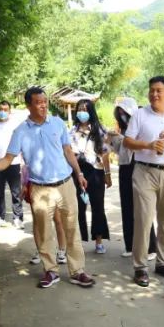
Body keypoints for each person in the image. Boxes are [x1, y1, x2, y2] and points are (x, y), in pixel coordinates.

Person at [0, 87, 93, 289]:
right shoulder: (20, 131)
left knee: (71, 228)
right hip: (40, 189)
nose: (43, 106)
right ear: (28, 106)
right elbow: (8, 158)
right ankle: (51, 270)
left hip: (65, 184)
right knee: (43, 231)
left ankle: (77, 271)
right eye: (38, 102)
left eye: (44, 102)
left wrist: (79, 173)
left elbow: (68, 151)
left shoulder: (58, 123)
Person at [123, 76, 164, 287]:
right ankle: (140, 267)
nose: (154, 94)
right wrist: (148, 145)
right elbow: (127, 141)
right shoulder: (140, 114)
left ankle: (163, 262)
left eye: (159, 90)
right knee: (143, 220)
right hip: (144, 172)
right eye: (151, 90)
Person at [108, 97, 158, 259]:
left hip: (140, 166)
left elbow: (144, 144)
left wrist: (126, 140)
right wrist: (114, 140)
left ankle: (150, 248)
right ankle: (130, 246)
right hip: (125, 168)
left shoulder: (142, 125)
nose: (122, 116)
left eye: (124, 112)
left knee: (143, 208)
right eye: (120, 113)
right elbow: (118, 150)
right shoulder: (121, 129)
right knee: (127, 206)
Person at [70, 98, 112, 254]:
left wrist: (107, 174)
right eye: (80, 110)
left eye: (85, 110)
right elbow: (69, 153)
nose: (82, 112)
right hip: (78, 172)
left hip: (96, 172)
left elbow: (105, 153)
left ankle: (99, 241)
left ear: (91, 112)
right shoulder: (72, 131)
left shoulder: (100, 130)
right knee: (79, 206)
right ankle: (79, 241)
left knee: (98, 206)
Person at [0, 100, 24, 230]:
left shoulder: (15, 124)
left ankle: (18, 218)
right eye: (0, 109)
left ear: (9, 111)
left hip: (14, 162)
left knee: (16, 192)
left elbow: (21, 141)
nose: (3, 111)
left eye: (5, 109)